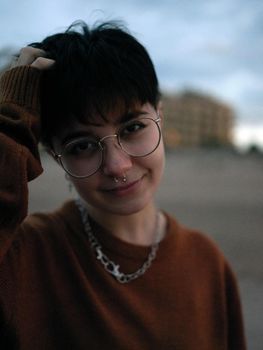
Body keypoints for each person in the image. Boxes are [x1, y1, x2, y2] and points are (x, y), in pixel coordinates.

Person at [0, 20, 246, 349]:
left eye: (132, 128)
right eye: (82, 146)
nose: (118, 166)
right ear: (55, 156)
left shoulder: (207, 262)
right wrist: (9, 129)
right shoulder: (25, 257)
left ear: (160, 115)